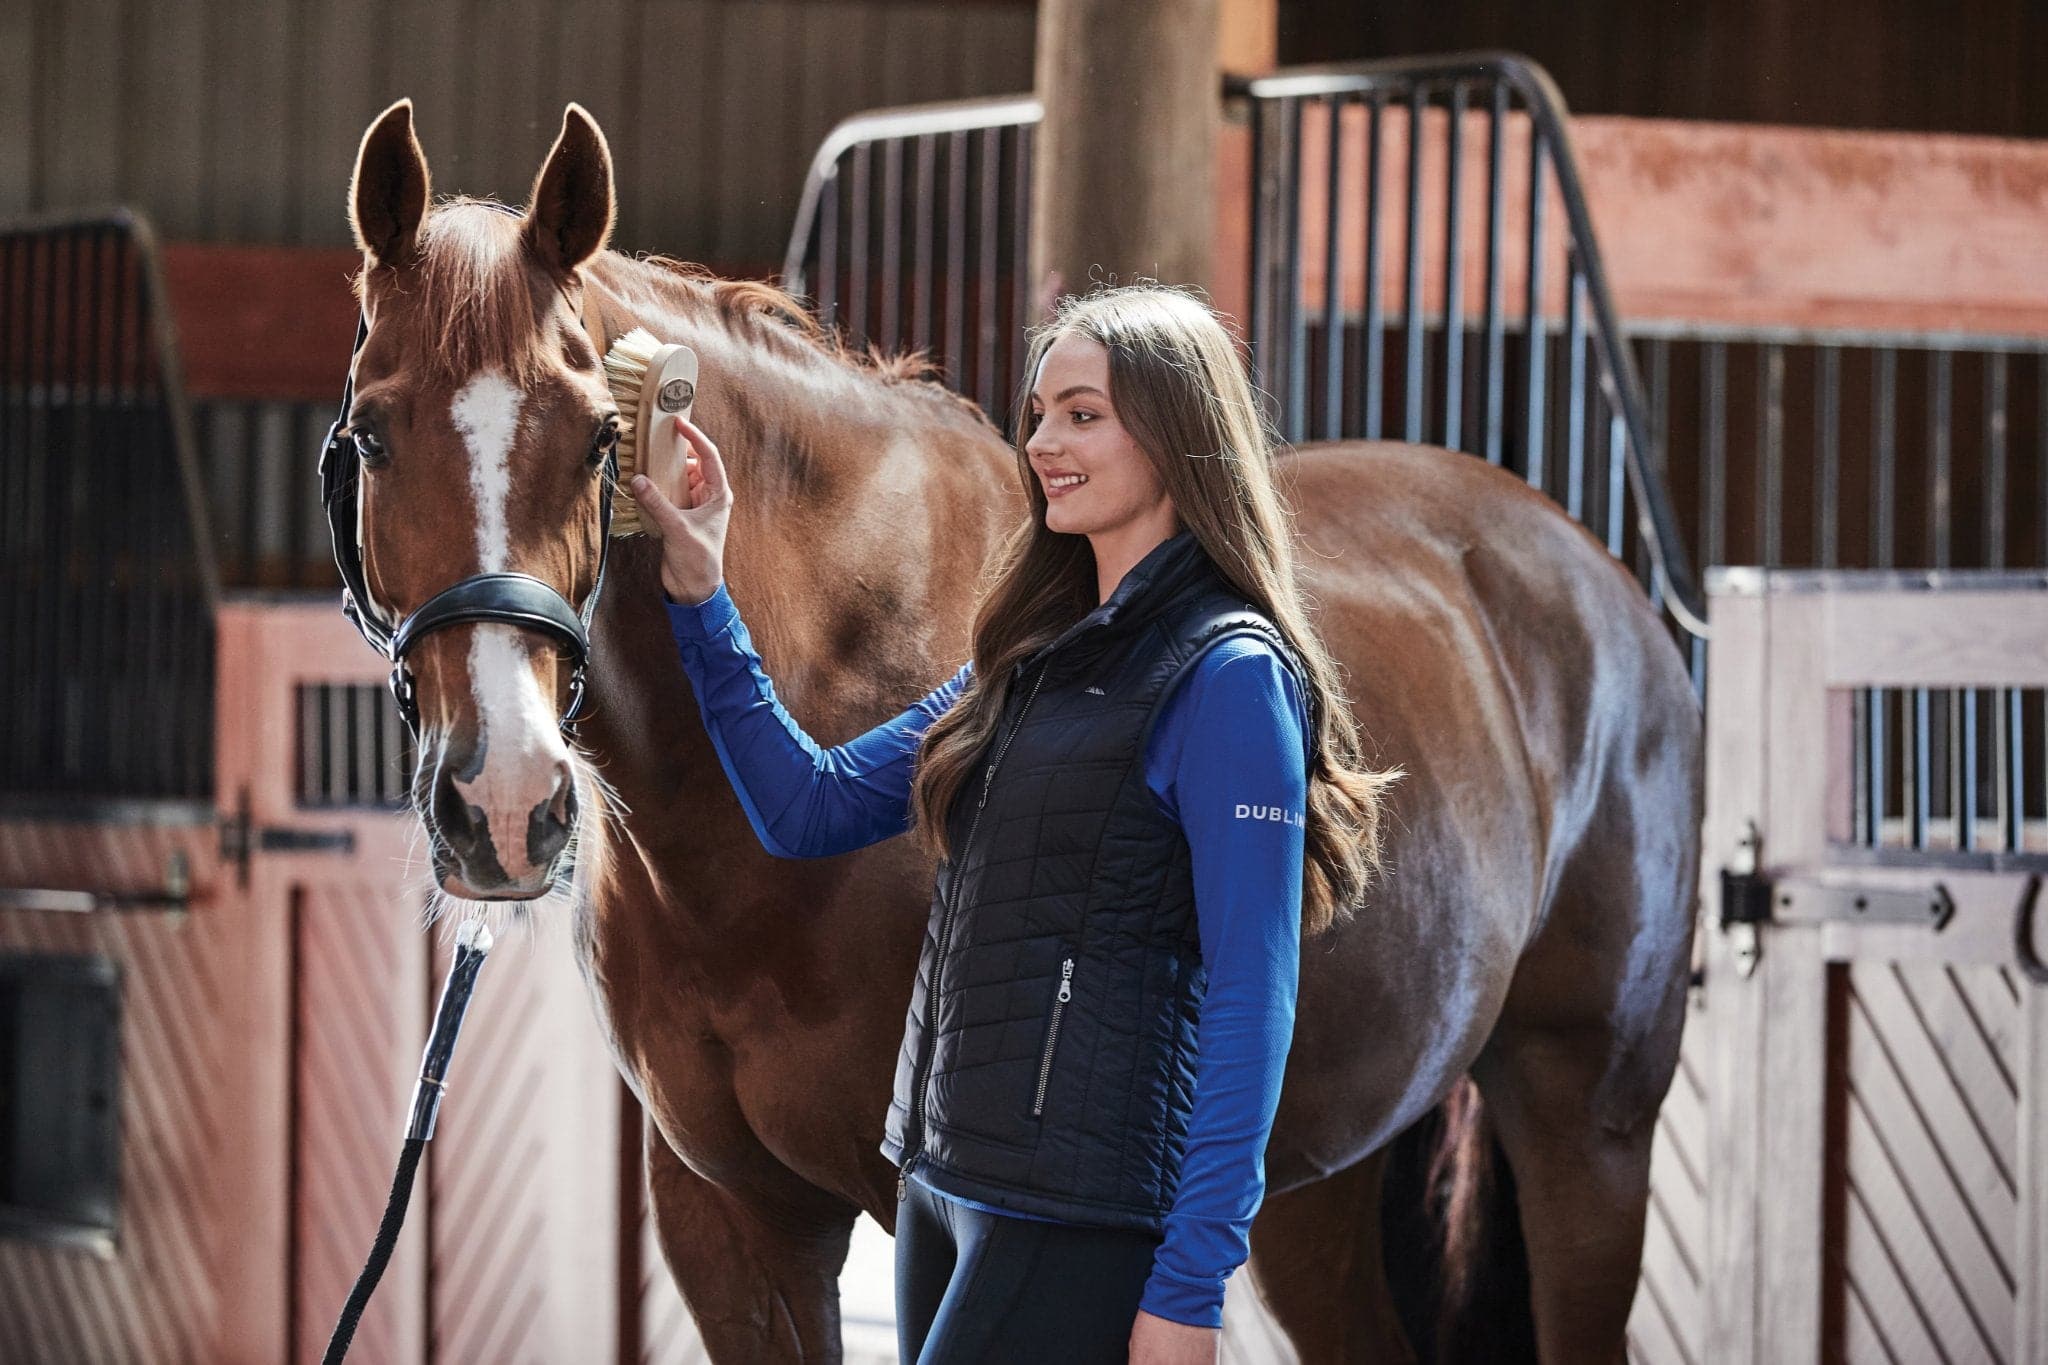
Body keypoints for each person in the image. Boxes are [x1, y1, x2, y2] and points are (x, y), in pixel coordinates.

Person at [627, 283, 1391, 1365]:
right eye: (1037, 413)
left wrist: (1190, 1286)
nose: (1040, 442)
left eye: (1082, 414)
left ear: (1177, 435)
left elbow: (1249, 1005)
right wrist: (705, 593)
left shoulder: (1227, 679)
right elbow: (807, 806)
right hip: (941, 1186)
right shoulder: (1022, 663)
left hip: (1077, 1209)